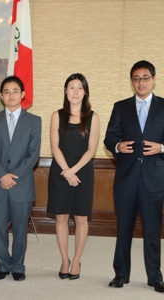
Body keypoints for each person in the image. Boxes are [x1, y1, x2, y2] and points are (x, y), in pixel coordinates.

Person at [104, 60, 164, 293]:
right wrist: (118, 146)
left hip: (154, 178)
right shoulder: (121, 107)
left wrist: (162, 148)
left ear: (154, 79)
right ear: (132, 82)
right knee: (124, 229)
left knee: (152, 230)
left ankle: (155, 277)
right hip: (126, 177)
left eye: (145, 77)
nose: (141, 82)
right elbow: (109, 137)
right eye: (136, 78)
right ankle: (121, 274)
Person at [0, 76, 41, 281]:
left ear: (23, 94)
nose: (11, 95)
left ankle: (17, 266)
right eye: (6, 92)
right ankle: (2, 264)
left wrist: (13, 177)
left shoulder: (34, 121)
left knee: (19, 229)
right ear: (1, 96)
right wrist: (2, 175)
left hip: (21, 184)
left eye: (15, 91)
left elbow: (33, 154)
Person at [47, 73, 100, 280]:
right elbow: (55, 147)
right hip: (60, 171)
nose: (75, 91)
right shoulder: (56, 115)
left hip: (83, 172)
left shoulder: (93, 117)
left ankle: (76, 260)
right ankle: (64, 259)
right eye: (71, 87)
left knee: (80, 218)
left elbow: (91, 150)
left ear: (85, 91)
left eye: (80, 87)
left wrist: (73, 171)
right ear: (66, 91)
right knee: (60, 217)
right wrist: (67, 172)